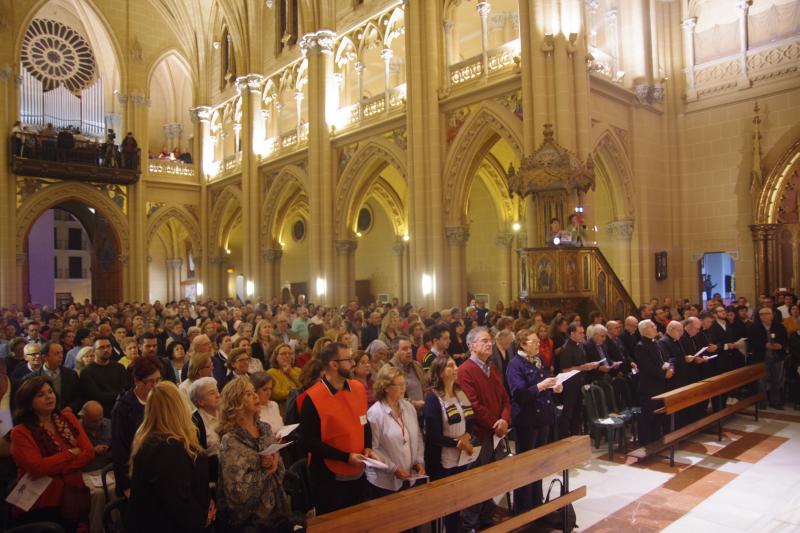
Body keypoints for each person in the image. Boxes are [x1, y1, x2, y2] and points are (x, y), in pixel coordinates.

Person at [299, 341, 379, 515]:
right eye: (348, 359)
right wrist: (344, 457)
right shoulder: (312, 398)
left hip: (358, 471)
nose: (352, 363)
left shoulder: (358, 388)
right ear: (333, 365)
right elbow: (307, 441)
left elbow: (364, 423)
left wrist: (368, 447)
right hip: (328, 478)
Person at [126, 381, 212, 533]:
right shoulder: (169, 448)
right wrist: (203, 518)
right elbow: (178, 501)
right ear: (179, 408)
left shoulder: (147, 439)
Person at [9, 377, 95, 528]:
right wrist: (70, 454)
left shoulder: (68, 418)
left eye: (50, 392)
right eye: (40, 395)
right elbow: (37, 468)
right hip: (41, 501)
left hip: (73, 496)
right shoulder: (20, 432)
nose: (49, 396)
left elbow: (89, 452)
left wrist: (56, 468)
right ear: (29, 403)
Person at [217, 377, 291, 531]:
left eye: (254, 391)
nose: (256, 396)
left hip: (277, 507)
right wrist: (266, 470)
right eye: (248, 394)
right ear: (235, 403)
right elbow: (237, 492)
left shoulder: (265, 429)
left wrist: (275, 462)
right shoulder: (231, 440)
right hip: (251, 520)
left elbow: (280, 467)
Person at [456, 327, 511, 531]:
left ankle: (487, 517)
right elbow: (473, 405)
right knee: (476, 482)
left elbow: (506, 399)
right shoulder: (465, 370)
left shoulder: (493, 368)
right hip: (481, 435)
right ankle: (471, 524)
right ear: (472, 346)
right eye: (484, 341)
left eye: (490, 340)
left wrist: (504, 420)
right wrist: (495, 424)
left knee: (492, 479)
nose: (489, 344)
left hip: (497, 432)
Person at [506, 329, 562, 513]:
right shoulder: (515, 365)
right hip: (527, 420)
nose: (538, 345)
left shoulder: (539, 360)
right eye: (534, 342)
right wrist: (540, 386)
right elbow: (520, 394)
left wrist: (554, 386)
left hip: (543, 417)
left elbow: (545, 381)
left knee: (539, 464)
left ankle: (536, 502)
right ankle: (523, 506)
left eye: (538, 342)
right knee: (527, 465)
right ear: (522, 344)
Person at [423, 354, 475, 533]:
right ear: (439, 371)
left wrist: (467, 436)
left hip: (461, 455)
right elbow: (433, 435)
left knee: (458, 500)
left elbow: (470, 419)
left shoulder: (460, 392)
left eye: (455, 365)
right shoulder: (433, 397)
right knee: (445, 502)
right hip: (444, 457)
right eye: (450, 366)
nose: (455, 368)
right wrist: (459, 443)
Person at [366, 365, 425, 499]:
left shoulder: (408, 407)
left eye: (404, 383)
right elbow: (373, 449)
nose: (403, 388)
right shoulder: (375, 413)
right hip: (384, 482)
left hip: (408, 476)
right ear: (385, 387)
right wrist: (393, 469)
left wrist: (418, 461)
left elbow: (417, 437)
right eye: (398, 384)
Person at [112, 356, 163, 498]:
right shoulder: (123, 408)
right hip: (137, 475)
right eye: (150, 381)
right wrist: (127, 485)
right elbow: (120, 450)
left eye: (158, 380)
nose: (156, 385)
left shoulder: (160, 400)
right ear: (136, 381)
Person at [557, 323, 600, 437]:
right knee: (568, 412)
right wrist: (583, 367)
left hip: (579, 382)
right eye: (580, 333)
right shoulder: (566, 348)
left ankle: (575, 436)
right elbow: (565, 369)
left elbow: (581, 364)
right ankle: (564, 437)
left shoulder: (579, 345)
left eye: (583, 332)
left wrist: (589, 365)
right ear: (572, 333)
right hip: (570, 384)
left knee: (577, 411)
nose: (583, 335)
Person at [635, 320, 674, 445]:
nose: (655, 327)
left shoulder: (657, 342)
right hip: (649, 388)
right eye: (652, 326)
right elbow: (647, 367)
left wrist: (671, 368)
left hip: (661, 386)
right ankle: (646, 444)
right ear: (645, 330)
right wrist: (664, 374)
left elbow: (668, 358)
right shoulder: (641, 346)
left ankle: (657, 441)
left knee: (659, 416)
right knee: (648, 418)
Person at [748, 308, 788, 410]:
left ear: (772, 315)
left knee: (776, 380)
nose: (764, 316)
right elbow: (751, 343)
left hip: (777, 357)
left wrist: (781, 345)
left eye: (767, 313)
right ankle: (762, 402)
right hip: (761, 358)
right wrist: (764, 345)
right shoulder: (754, 327)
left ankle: (775, 401)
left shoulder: (779, 327)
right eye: (761, 314)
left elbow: (785, 340)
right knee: (762, 382)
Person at [27, 341, 82, 413]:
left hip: (66, 415)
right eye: (56, 353)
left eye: (61, 353)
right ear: (45, 357)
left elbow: (79, 396)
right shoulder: (33, 378)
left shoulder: (71, 374)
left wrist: (71, 407)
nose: (61, 356)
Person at [79, 337, 128, 417]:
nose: (106, 350)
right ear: (94, 351)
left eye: (108, 346)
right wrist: (119, 395)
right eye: (101, 347)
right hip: (100, 412)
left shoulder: (119, 367)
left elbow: (125, 389)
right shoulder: (87, 371)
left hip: (121, 409)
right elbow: (95, 396)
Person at [189, 376, 221, 484]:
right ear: (200, 401)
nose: (218, 395)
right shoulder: (193, 422)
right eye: (212, 393)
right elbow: (195, 459)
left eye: (217, 391)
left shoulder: (226, 413)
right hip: (210, 476)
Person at [388, 336, 428, 412]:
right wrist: (413, 404)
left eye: (410, 348)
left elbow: (425, 386)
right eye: (404, 349)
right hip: (401, 413)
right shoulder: (389, 370)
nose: (409, 351)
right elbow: (391, 396)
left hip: (421, 412)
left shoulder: (417, 365)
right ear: (395, 351)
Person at [79, 400, 112, 472]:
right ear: (83, 417)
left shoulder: (109, 425)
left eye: (100, 419)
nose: (98, 423)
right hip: (85, 472)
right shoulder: (74, 431)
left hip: (107, 471)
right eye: (94, 421)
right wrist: (93, 451)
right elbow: (73, 460)